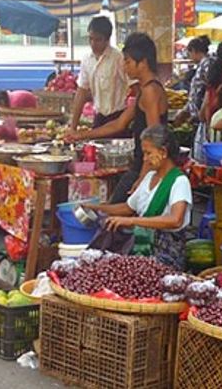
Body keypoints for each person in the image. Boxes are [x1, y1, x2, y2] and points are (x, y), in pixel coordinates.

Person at [68, 33, 167, 203]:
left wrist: (143, 178)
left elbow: (155, 140)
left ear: (142, 63)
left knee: (114, 214)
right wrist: (79, 135)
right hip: (141, 164)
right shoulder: (145, 90)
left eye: (127, 61)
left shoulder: (150, 91)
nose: (124, 66)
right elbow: (118, 124)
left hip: (146, 167)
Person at [82, 125, 193, 268]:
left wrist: (133, 221)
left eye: (148, 153)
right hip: (142, 242)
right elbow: (128, 207)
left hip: (165, 250)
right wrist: (97, 208)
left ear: (163, 152)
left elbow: (175, 220)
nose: (145, 159)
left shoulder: (179, 182)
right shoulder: (150, 177)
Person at [69, 16, 128, 131]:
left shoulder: (118, 58)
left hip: (117, 117)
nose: (93, 43)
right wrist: (73, 127)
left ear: (107, 39)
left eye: (98, 40)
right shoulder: (87, 59)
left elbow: (134, 86)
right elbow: (81, 93)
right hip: (98, 118)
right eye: (90, 39)